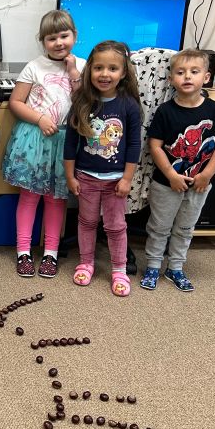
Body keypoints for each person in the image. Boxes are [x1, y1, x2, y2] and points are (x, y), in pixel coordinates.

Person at [140, 49, 215, 292]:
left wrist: (207, 174)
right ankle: (153, 266)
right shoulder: (165, 111)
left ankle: (176, 268)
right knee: (159, 227)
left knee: (184, 228)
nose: (187, 76)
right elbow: (155, 146)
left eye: (194, 71)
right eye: (181, 72)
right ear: (171, 79)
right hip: (166, 184)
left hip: (199, 185)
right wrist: (171, 175)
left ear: (206, 77)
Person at [2, 10, 84, 278]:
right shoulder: (34, 66)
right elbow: (15, 102)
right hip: (36, 140)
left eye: (64, 36)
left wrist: (73, 72)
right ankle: (23, 251)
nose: (59, 42)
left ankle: (51, 253)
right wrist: (39, 119)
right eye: (51, 38)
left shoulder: (83, 66)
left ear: (74, 36)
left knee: (56, 198)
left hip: (65, 142)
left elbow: (85, 102)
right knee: (29, 196)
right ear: (43, 41)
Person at [64, 40, 142, 297]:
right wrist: (70, 175)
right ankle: (86, 263)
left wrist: (127, 178)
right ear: (90, 70)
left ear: (123, 72)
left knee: (116, 226)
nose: (104, 74)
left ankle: (119, 269)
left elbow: (134, 144)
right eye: (98, 68)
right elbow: (70, 143)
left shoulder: (129, 105)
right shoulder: (82, 102)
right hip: (86, 177)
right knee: (86, 222)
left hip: (116, 180)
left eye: (112, 68)